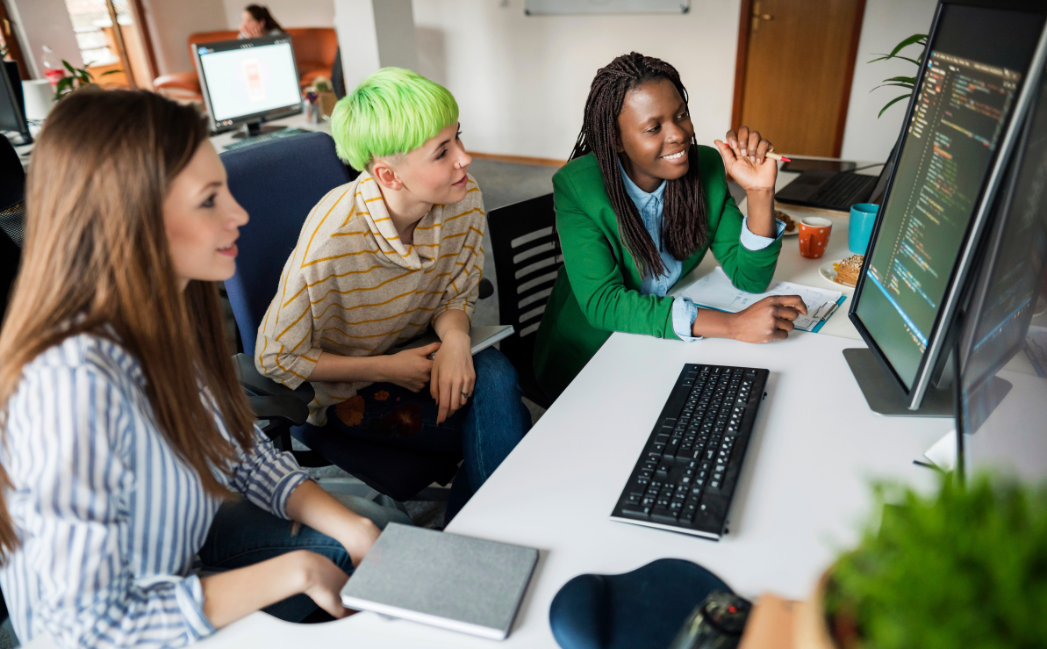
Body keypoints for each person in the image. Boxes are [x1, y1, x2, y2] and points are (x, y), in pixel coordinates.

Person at [0, 90, 409, 648]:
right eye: (209, 199)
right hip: (114, 620)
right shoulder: (70, 386)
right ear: (133, 219)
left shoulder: (162, 310)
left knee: (371, 529)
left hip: (176, 539)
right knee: (329, 566)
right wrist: (295, 572)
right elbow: (84, 628)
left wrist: (349, 527)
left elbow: (238, 449)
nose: (239, 214)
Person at [256, 68, 531, 523]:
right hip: (350, 386)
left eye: (458, 138)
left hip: (419, 351)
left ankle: (479, 542)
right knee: (505, 428)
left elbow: (456, 293)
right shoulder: (333, 240)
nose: (465, 158)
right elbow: (275, 357)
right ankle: (491, 538)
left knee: (497, 377)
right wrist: (385, 367)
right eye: (443, 152)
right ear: (388, 174)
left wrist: (458, 339)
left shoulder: (463, 198)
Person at [533, 52, 808, 401]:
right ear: (617, 140)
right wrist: (733, 326)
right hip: (595, 354)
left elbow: (750, 277)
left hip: (664, 337)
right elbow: (604, 303)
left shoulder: (704, 166)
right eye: (653, 128)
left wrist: (759, 192)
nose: (679, 134)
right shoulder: (579, 187)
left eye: (681, 115)